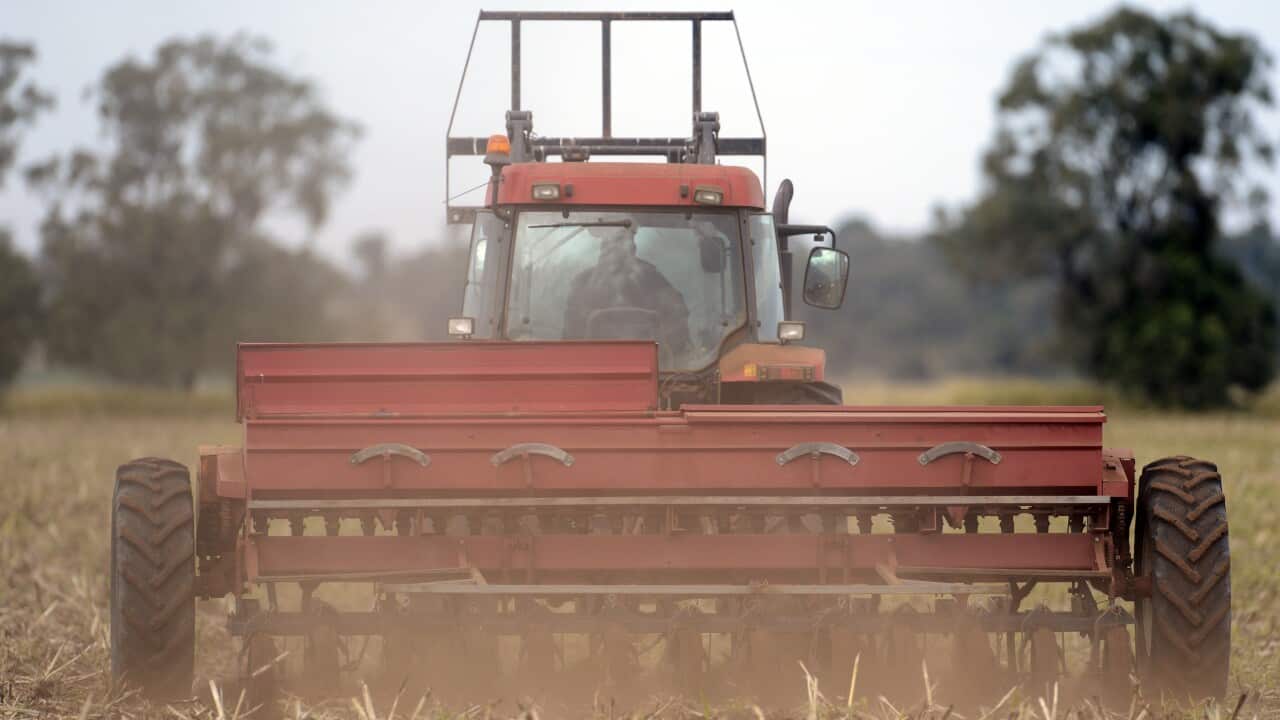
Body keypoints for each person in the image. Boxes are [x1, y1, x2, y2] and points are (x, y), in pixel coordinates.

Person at [563, 226, 692, 362]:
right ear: (603, 245)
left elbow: (678, 326)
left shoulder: (655, 280)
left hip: (657, 369)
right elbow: (570, 338)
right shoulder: (582, 283)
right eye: (615, 240)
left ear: (633, 246)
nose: (622, 246)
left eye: (626, 239)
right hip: (591, 367)